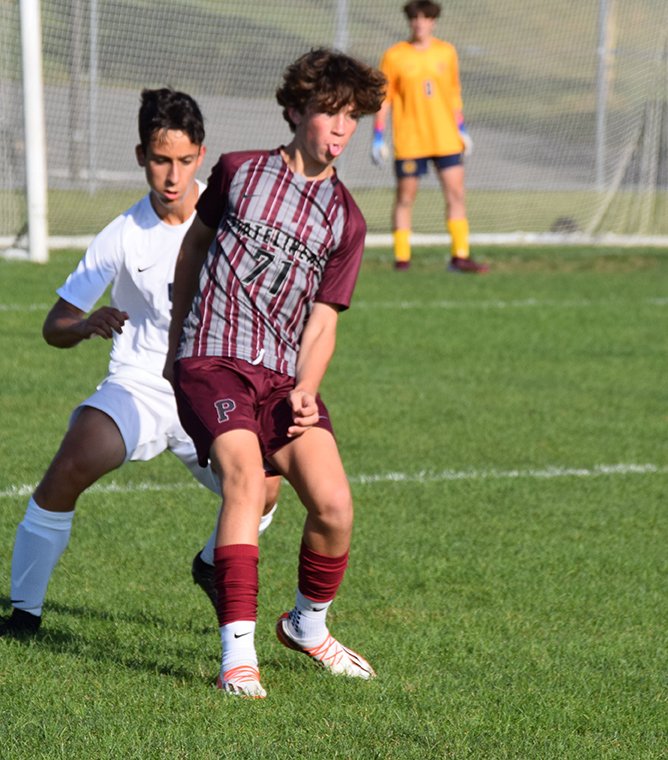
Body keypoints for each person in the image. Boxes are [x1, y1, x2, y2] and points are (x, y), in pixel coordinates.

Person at [0, 89, 280, 639]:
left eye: (184, 160)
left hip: (212, 383)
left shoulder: (231, 220)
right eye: (160, 160)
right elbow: (55, 324)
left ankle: (209, 563)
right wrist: (84, 324)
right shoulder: (123, 233)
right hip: (141, 383)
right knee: (69, 466)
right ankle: (24, 617)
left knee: (265, 487)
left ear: (201, 156)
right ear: (140, 156)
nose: (172, 176)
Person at [164, 48, 387, 698]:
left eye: (352, 117)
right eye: (329, 112)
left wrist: (307, 389)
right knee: (245, 480)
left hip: (281, 380)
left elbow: (323, 320)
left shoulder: (346, 218)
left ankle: (306, 626)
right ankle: (238, 658)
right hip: (213, 358)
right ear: (295, 110)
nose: (341, 129)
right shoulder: (239, 171)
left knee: (334, 507)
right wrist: (179, 335)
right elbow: (195, 245)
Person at [372, 0, 489, 273]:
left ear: (433, 21)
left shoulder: (446, 52)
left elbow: (453, 93)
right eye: (415, 18)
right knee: (405, 198)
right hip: (411, 140)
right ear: (409, 21)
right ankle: (402, 260)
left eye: (425, 18)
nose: (420, 23)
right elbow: (384, 98)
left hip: (445, 138)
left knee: (456, 193)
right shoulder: (395, 55)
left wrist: (461, 129)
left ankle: (460, 257)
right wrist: (378, 136)